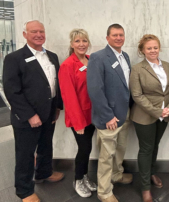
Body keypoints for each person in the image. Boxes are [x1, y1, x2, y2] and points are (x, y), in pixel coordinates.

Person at [2, 20, 64, 202]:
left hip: (49, 112)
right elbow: (12, 91)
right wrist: (30, 115)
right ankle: (24, 191)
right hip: (27, 117)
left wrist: (58, 106)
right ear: (25, 34)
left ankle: (44, 173)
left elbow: (55, 84)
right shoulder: (14, 58)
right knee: (25, 154)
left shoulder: (52, 56)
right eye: (34, 31)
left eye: (41, 31)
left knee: (46, 146)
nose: (39, 35)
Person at [87, 24, 133, 202]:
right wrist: (107, 116)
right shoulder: (98, 58)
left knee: (120, 149)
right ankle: (104, 192)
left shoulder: (125, 56)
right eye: (114, 35)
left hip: (125, 113)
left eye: (121, 35)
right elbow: (95, 90)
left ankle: (117, 174)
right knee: (106, 156)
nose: (118, 38)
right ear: (107, 38)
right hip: (109, 117)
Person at [129, 34, 169, 202]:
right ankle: (145, 187)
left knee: (155, 145)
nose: (152, 50)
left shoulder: (168, 66)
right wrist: (157, 111)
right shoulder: (137, 69)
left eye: (155, 47)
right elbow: (137, 95)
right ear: (142, 50)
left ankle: (151, 173)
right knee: (146, 149)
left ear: (159, 48)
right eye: (149, 48)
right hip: (144, 116)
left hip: (165, 115)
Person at [58, 29, 97, 198]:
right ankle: (78, 180)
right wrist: (78, 122)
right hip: (79, 116)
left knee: (87, 149)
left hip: (93, 114)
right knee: (84, 148)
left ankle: (85, 176)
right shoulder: (67, 65)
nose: (81, 44)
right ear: (72, 44)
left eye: (84, 41)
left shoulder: (91, 60)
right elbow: (69, 97)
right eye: (78, 41)